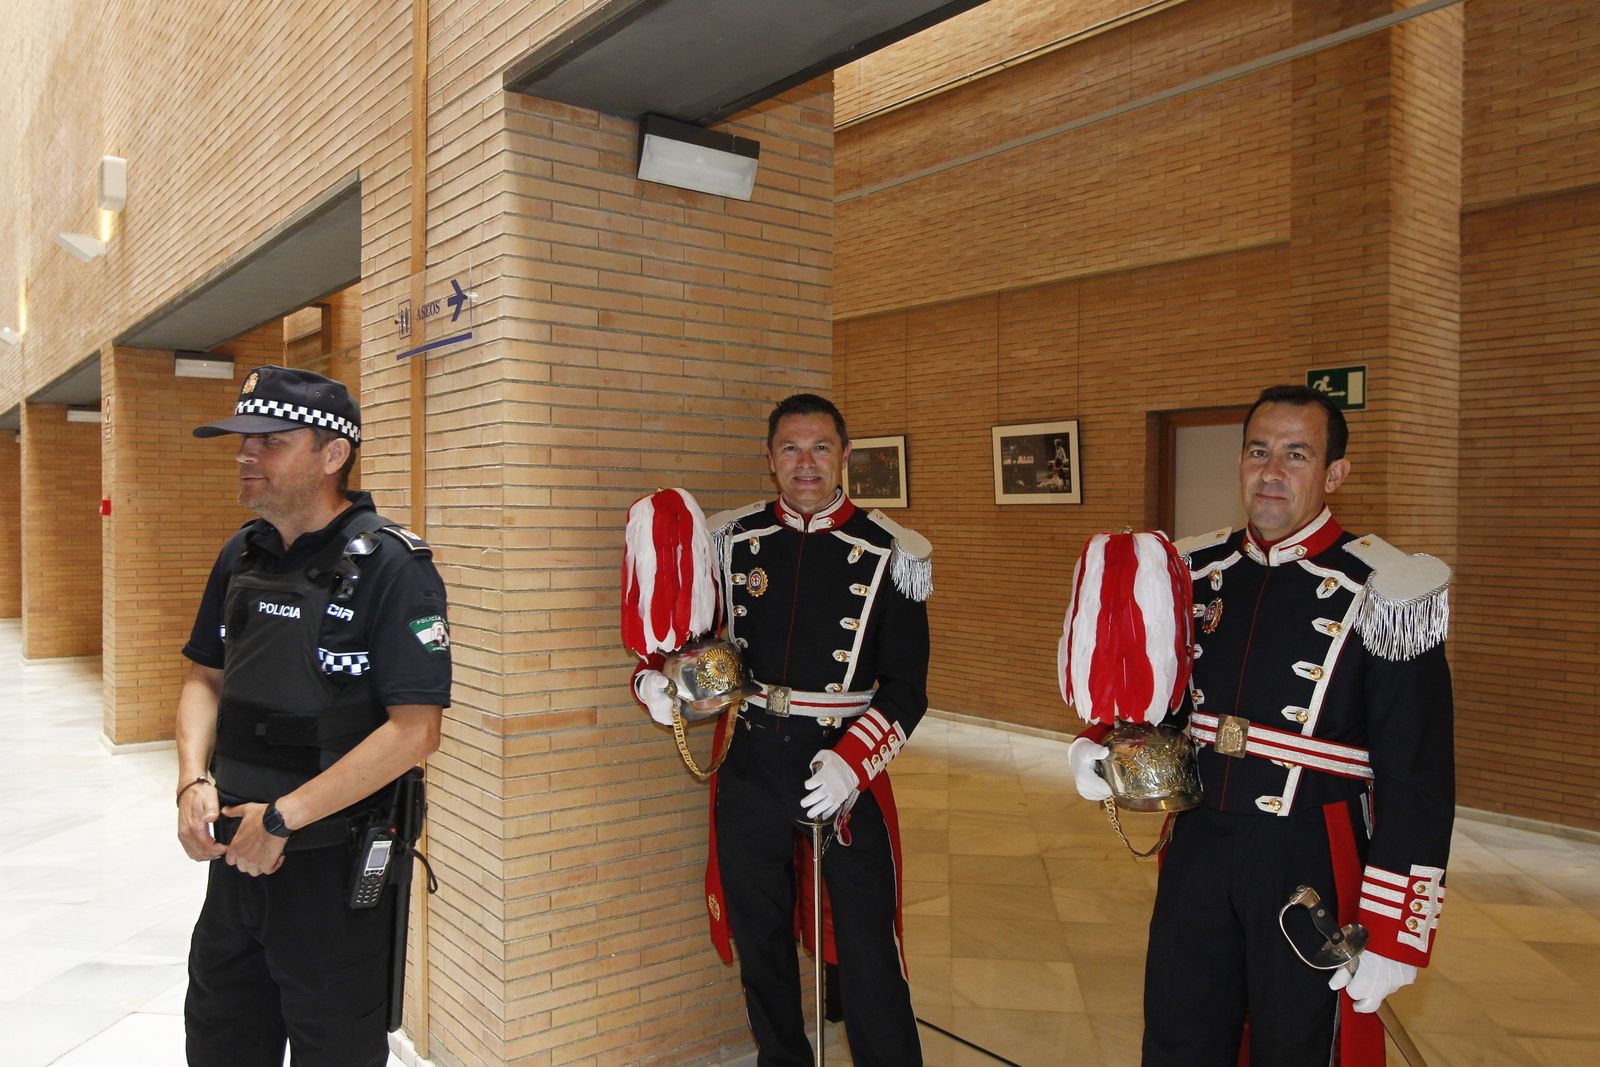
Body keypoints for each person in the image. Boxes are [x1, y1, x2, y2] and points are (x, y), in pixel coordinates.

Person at [1068, 385, 1454, 1066]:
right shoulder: (1194, 570)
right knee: (1179, 1030)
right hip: (1198, 839)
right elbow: (1155, 693)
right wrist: (1102, 744)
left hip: (1309, 849)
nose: (1271, 470)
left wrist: (1396, 932)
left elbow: (1417, 775)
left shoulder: (1386, 589)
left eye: (1296, 454)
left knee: (1298, 1043)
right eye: (1258, 450)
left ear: (1334, 473)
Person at [632, 393, 933, 1066]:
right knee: (760, 938)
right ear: (769, 459)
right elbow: (684, 639)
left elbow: (909, 689)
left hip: (841, 771)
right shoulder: (730, 540)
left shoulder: (891, 552)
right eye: (791, 449)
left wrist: (854, 761)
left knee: (866, 948)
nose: (806, 463)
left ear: (845, 457)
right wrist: (656, 683)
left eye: (821, 447)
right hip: (751, 760)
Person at [175, 365, 450, 1067]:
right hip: (234, 857)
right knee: (220, 1038)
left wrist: (282, 818)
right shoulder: (242, 552)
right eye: (243, 439)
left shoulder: (394, 565)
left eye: (268, 440)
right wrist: (189, 780)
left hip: (331, 873)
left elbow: (415, 730)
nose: (246, 454)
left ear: (333, 455)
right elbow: (205, 676)